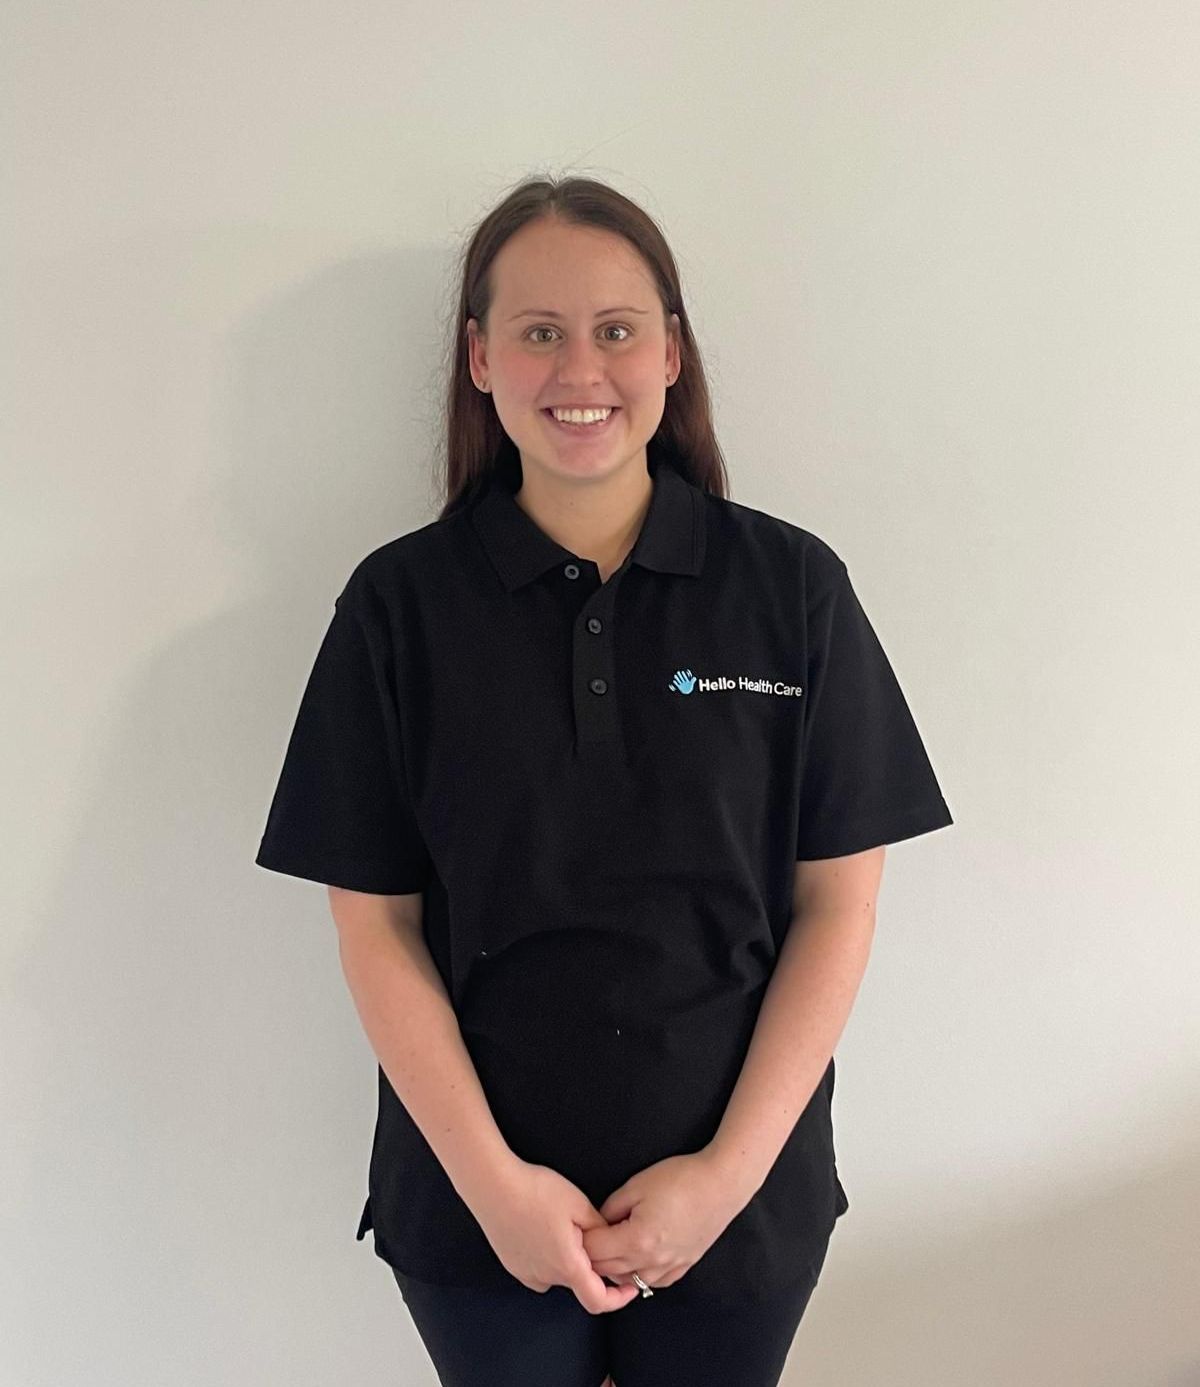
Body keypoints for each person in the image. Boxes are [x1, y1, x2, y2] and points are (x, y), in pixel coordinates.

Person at [254, 174, 954, 1387]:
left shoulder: (790, 591)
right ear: (478, 359)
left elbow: (839, 906)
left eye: (617, 330)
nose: (581, 369)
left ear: (672, 352)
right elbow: (373, 919)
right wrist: (495, 1187)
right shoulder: (399, 608)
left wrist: (722, 1180)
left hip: (739, 1204)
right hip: (479, 1207)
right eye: (538, 332)